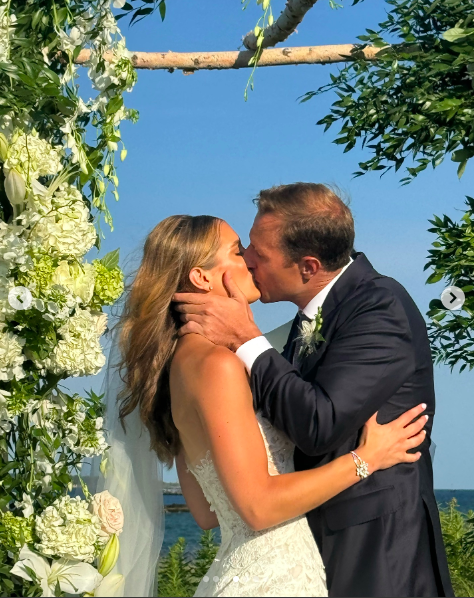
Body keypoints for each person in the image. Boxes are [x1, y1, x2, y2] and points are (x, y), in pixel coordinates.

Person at [116, 213, 429, 598]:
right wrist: (366, 459)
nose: (249, 258)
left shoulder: (178, 366)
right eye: (236, 250)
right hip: (273, 581)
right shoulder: (218, 366)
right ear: (201, 277)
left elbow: (205, 510)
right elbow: (258, 508)